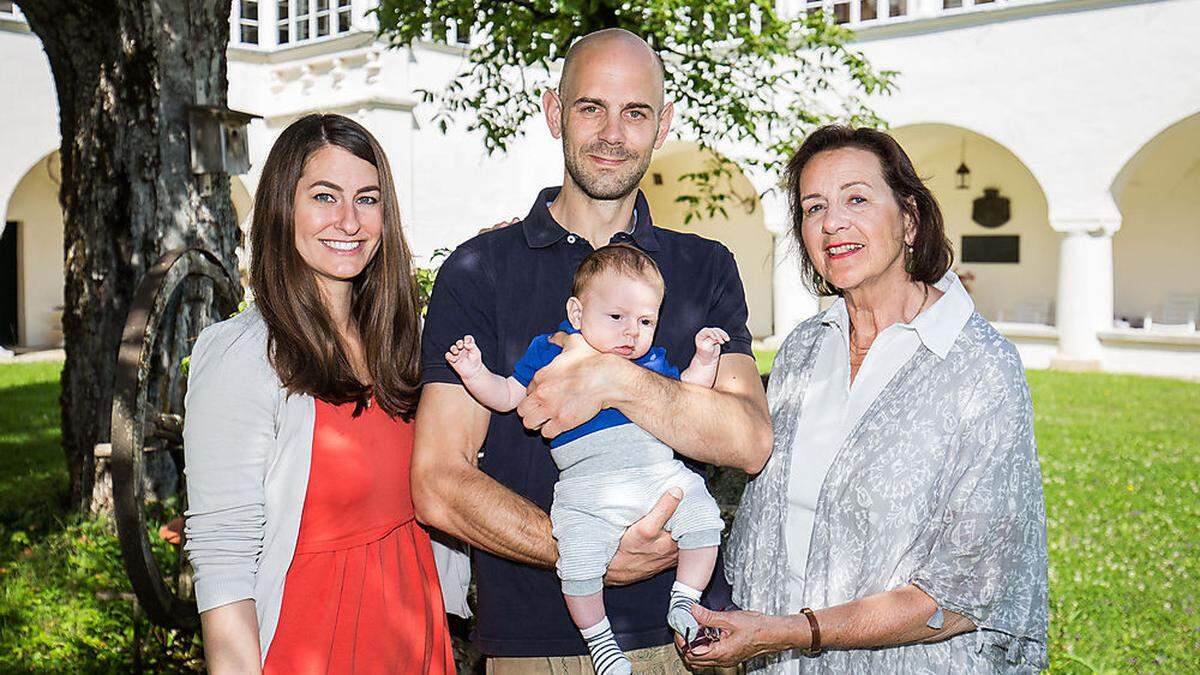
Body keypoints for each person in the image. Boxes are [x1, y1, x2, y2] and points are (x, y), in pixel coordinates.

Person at [413, 28, 773, 673]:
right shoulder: (480, 270)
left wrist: (615, 381)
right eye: (591, 108)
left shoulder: (705, 268)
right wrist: (584, 549)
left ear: (663, 125)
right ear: (555, 113)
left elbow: (747, 439)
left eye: (636, 112)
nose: (613, 132)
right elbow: (438, 482)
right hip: (536, 646)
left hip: (690, 645)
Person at [684, 125, 1049, 673]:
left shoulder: (978, 367)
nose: (833, 223)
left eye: (857, 198)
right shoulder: (805, 347)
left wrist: (795, 631)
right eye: (813, 208)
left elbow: (967, 588)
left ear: (909, 218)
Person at [183, 113, 455, 673]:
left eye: (368, 198)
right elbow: (223, 559)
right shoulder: (242, 355)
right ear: (285, 207)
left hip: (415, 634)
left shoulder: (405, 344)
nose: (349, 221)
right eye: (325, 197)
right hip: (314, 646)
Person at [446, 244, 729, 673]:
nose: (632, 332)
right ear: (577, 314)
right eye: (617, 317)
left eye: (646, 321)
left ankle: (684, 601)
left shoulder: (650, 362)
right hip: (585, 488)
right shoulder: (550, 353)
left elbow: (691, 392)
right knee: (577, 563)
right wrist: (474, 373)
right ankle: (601, 642)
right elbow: (507, 396)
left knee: (705, 521)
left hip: (657, 475)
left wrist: (705, 358)